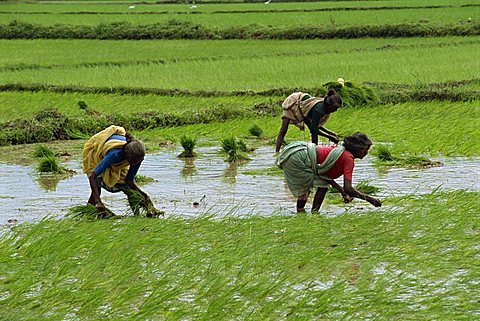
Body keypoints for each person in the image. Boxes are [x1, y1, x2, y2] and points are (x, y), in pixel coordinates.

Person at [276, 132, 382, 213]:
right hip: (298, 158)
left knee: (322, 186)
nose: (366, 153)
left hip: (299, 152)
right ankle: (303, 214)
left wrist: (341, 191)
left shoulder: (342, 151)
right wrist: (370, 199)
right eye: (365, 149)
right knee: (306, 189)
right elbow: (348, 188)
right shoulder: (348, 158)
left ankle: (312, 213)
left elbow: (325, 176)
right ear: (358, 148)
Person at [82, 125, 162, 218]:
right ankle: (88, 213)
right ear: (126, 156)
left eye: (137, 161)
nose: (135, 164)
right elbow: (93, 176)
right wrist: (98, 201)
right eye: (132, 162)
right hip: (96, 152)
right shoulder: (115, 155)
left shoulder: (137, 157)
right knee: (97, 187)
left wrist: (144, 195)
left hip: (116, 156)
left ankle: (137, 217)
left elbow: (129, 180)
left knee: (129, 191)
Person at [275, 88, 343, 153]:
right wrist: (329, 137)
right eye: (335, 107)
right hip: (294, 102)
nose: (336, 110)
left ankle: (314, 151)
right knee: (283, 130)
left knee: (313, 131)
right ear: (329, 105)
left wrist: (329, 132)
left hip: (304, 110)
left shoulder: (326, 109)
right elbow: (314, 130)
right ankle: (277, 152)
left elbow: (315, 125)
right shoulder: (319, 110)